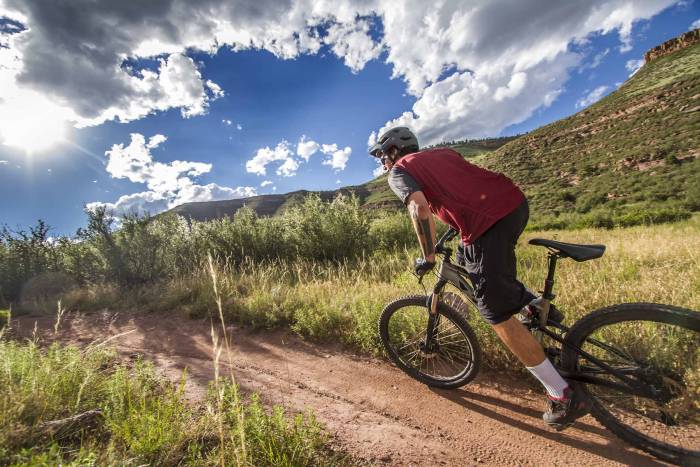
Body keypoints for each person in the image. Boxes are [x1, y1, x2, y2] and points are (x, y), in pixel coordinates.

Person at [369, 126, 590, 430]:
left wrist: (429, 255)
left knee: (495, 313)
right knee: (468, 258)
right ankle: (530, 305)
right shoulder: (441, 154)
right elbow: (464, 191)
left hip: (489, 223)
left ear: (394, 150)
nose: (382, 162)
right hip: (513, 206)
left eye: (382, 154)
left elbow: (419, 208)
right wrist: (456, 228)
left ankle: (563, 394)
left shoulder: (400, 170)